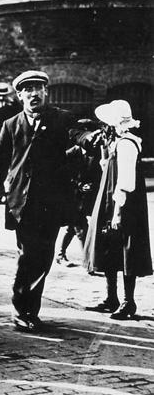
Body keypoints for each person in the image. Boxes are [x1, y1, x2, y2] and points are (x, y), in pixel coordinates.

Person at [0, 70, 98, 332]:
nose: (33, 93)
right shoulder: (10, 125)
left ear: (45, 91)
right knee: (27, 256)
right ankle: (20, 309)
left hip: (50, 203)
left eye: (38, 88)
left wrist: (89, 139)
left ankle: (30, 310)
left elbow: (77, 134)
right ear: (20, 95)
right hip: (21, 203)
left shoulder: (61, 118)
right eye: (27, 90)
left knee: (44, 257)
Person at [84, 100, 152, 319]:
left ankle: (128, 301)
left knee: (126, 250)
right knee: (109, 247)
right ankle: (110, 298)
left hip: (123, 205)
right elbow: (108, 170)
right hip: (110, 200)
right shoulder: (117, 142)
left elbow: (125, 181)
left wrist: (117, 212)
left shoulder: (127, 144)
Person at [56, 119, 102, 266]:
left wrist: (92, 185)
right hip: (72, 195)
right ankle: (88, 260)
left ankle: (60, 254)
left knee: (72, 227)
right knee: (81, 228)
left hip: (87, 196)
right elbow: (62, 173)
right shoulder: (71, 154)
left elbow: (99, 174)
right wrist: (78, 184)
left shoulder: (96, 154)